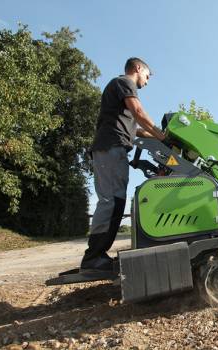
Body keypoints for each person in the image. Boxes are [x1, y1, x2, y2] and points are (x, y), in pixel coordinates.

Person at [81, 57, 166, 271]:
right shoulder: (123, 83)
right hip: (110, 148)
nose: (147, 81)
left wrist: (160, 138)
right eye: (147, 76)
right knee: (110, 201)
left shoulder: (120, 100)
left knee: (117, 201)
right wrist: (163, 136)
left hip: (115, 149)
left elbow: (136, 129)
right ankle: (93, 257)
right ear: (138, 68)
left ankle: (98, 255)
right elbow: (138, 113)